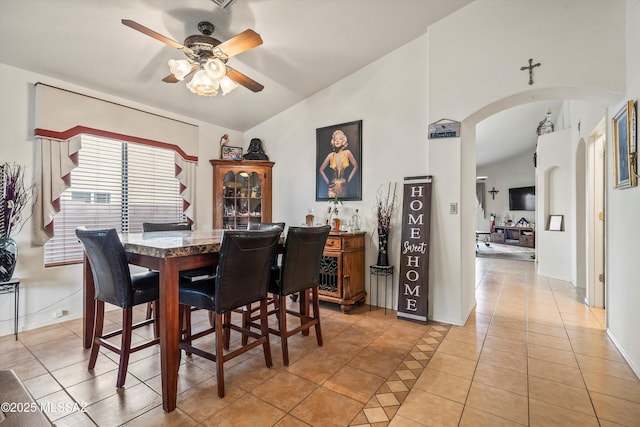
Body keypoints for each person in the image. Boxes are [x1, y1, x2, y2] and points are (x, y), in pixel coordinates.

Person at [318, 129, 359, 198]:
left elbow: (356, 166)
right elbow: (321, 170)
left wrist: (349, 179)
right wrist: (327, 181)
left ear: (343, 141)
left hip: (343, 187)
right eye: (335, 139)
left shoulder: (347, 153)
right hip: (332, 188)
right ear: (333, 142)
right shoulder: (331, 155)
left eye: (339, 139)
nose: (337, 141)